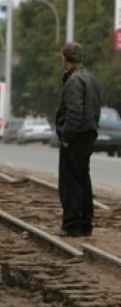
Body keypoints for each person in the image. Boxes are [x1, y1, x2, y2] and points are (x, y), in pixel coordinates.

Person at [54, 42, 101, 237]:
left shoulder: (74, 80)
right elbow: (95, 109)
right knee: (83, 178)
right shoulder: (91, 78)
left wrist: (67, 137)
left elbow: (74, 112)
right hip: (87, 134)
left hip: (76, 137)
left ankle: (71, 225)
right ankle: (84, 224)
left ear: (66, 58)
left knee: (70, 181)